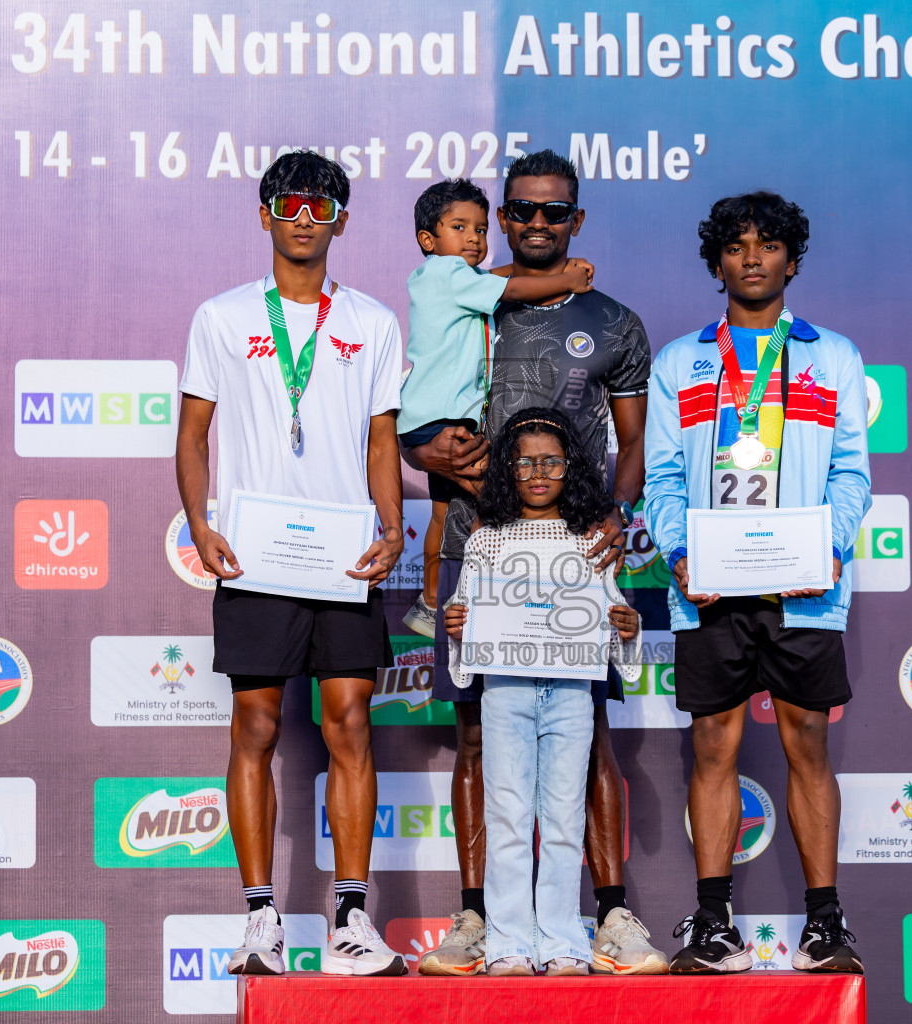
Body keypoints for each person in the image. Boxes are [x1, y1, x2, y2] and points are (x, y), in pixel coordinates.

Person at [405, 150, 664, 977]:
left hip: (573, 561)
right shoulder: (464, 296)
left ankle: (610, 915)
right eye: (522, 210)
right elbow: (420, 426)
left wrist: (619, 518)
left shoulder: (617, 323)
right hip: (478, 553)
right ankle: (480, 920)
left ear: (577, 219)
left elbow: (635, 445)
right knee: (477, 741)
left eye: (556, 212)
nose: (539, 224)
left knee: (588, 747)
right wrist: (431, 458)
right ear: (503, 218)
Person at [176, 151, 407, 977]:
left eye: (323, 204)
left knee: (349, 724)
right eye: (291, 202)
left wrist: (392, 526)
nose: (306, 216)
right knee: (256, 728)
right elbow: (192, 435)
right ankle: (260, 921)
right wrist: (201, 527)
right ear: (265, 213)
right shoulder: (221, 315)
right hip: (257, 556)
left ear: (342, 220)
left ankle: (351, 917)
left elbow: (383, 440)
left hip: (342, 557)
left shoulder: (375, 322)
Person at [644, 191, 870, 975]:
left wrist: (832, 544)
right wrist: (679, 553)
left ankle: (824, 924)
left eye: (767, 245)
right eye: (735, 245)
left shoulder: (832, 355)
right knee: (714, 746)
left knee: (808, 741)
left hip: (806, 586)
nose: (751, 257)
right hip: (710, 586)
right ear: (716, 263)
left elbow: (851, 470)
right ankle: (713, 924)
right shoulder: (681, 361)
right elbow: (664, 475)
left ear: (791, 260)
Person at [443, 408, 642, 976]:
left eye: (551, 461)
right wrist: (460, 627)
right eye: (524, 461)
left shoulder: (588, 541)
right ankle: (506, 942)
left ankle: (561, 941)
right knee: (506, 814)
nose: (537, 472)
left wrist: (627, 626)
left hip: (572, 692)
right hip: (504, 689)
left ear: (571, 467)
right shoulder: (485, 542)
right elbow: (464, 611)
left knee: (561, 817)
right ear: (507, 469)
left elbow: (613, 610)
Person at [397, 178, 595, 638]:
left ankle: (429, 603)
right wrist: (567, 279)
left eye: (481, 229)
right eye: (459, 227)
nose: (474, 238)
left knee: (444, 514)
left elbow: (495, 278)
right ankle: (498, 589)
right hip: (443, 420)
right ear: (428, 240)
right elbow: (508, 290)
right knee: (499, 495)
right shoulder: (448, 276)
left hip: (427, 420)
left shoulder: (443, 278)